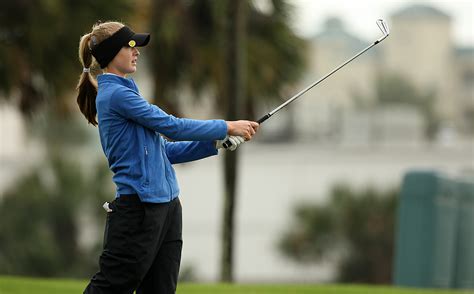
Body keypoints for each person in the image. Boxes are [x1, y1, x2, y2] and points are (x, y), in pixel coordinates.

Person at [76, 21, 259, 294]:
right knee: (112, 287)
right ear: (113, 53)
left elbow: (165, 151)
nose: (136, 51)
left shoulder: (127, 92)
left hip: (167, 207)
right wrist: (226, 126)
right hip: (139, 209)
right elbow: (172, 126)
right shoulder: (116, 96)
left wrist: (216, 142)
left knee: (161, 289)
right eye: (131, 45)